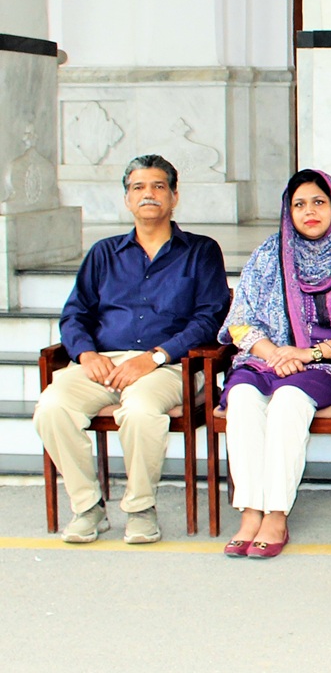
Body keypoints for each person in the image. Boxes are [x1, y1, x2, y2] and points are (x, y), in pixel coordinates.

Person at [34, 155, 230, 544]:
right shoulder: (103, 254)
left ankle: (140, 508)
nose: (148, 195)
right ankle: (88, 507)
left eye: (158, 186)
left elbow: (209, 319)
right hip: (103, 364)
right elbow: (75, 314)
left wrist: (155, 357)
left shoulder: (200, 251)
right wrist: (87, 354)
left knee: (140, 410)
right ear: (127, 199)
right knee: (52, 407)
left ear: (174, 197)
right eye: (138, 187)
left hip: (168, 366)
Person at [217, 169, 331, 557]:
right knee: (241, 399)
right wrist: (273, 352)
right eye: (299, 204)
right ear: (287, 211)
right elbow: (241, 320)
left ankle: (275, 513)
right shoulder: (266, 255)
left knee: (289, 400)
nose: (309, 212)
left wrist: (308, 354)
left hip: (328, 366)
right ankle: (250, 510)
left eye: (318, 203)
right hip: (266, 359)